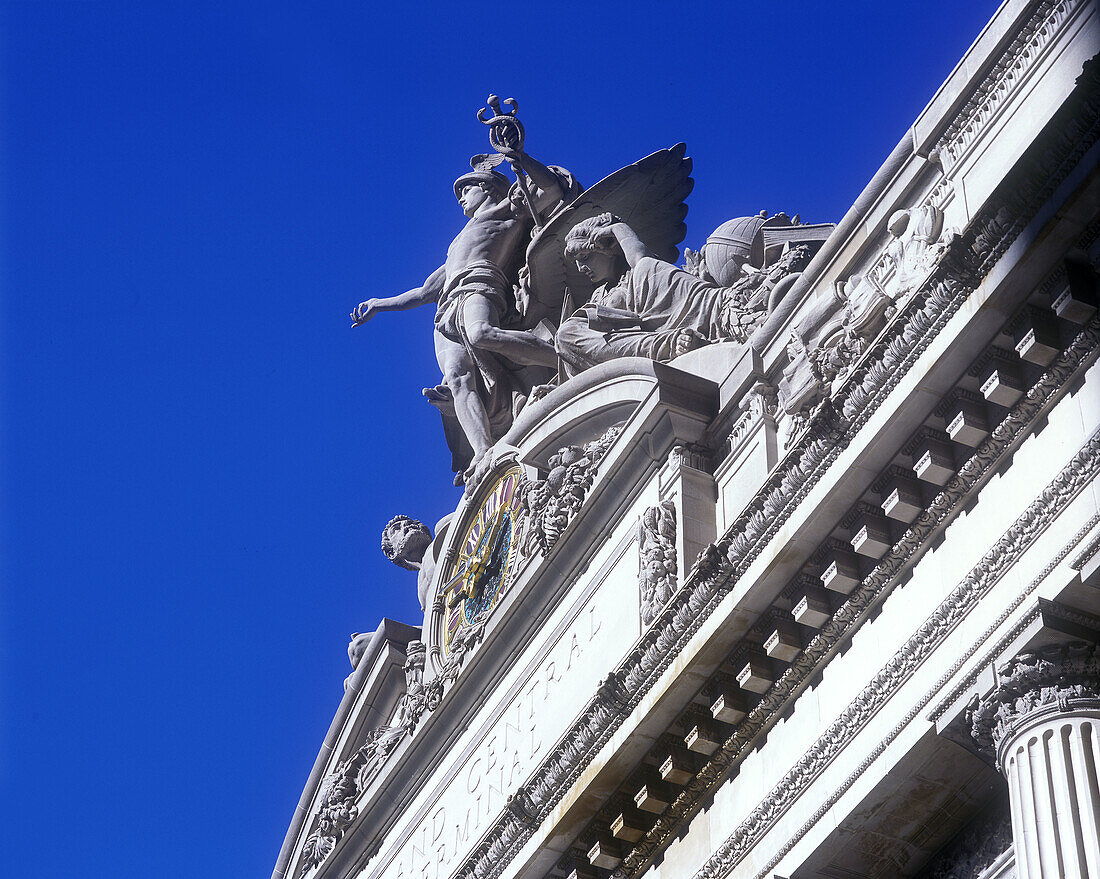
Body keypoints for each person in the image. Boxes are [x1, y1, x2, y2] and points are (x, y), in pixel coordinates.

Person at [351, 150, 580, 485]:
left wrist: (519, 155)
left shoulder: (506, 211)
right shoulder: (457, 242)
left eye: (466, 189)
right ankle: (483, 452)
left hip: (480, 285)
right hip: (445, 309)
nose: (460, 197)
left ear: (487, 189)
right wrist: (379, 304)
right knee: (458, 379)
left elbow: (551, 192)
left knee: (481, 334)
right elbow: (426, 292)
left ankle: (568, 354)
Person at [555, 214, 725, 375]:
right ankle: (664, 345)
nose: (580, 268)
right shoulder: (597, 295)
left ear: (608, 246)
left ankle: (665, 346)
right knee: (566, 333)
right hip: (625, 355)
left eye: (584, 257)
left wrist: (617, 229)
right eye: (576, 262)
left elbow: (640, 258)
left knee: (646, 267)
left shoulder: (637, 274)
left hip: (668, 335)